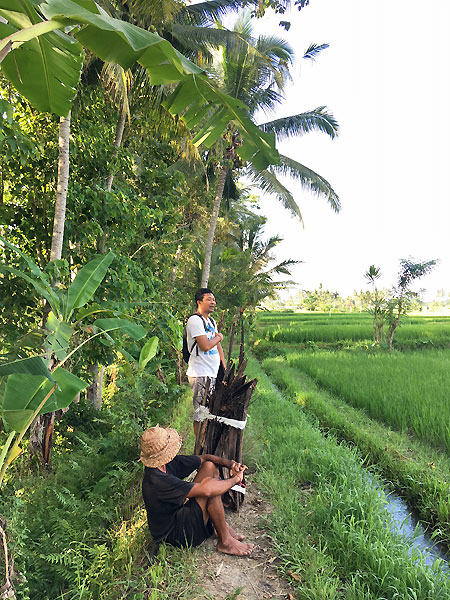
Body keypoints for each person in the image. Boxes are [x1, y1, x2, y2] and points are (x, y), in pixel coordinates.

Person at [141, 425, 254, 556]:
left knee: (209, 467)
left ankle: (216, 526)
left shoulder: (165, 464)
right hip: (173, 534)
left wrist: (230, 464)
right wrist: (236, 479)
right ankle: (226, 542)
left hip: (177, 515)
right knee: (210, 489)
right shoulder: (157, 480)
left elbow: (205, 458)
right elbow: (207, 490)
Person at [186, 288, 226, 436]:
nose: (213, 302)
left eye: (213, 300)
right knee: (201, 413)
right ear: (199, 302)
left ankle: (206, 442)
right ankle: (200, 447)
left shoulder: (211, 321)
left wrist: (224, 368)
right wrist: (219, 337)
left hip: (212, 373)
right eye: (209, 299)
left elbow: (217, 346)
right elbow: (205, 345)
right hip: (200, 374)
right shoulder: (195, 320)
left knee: (210, 411)